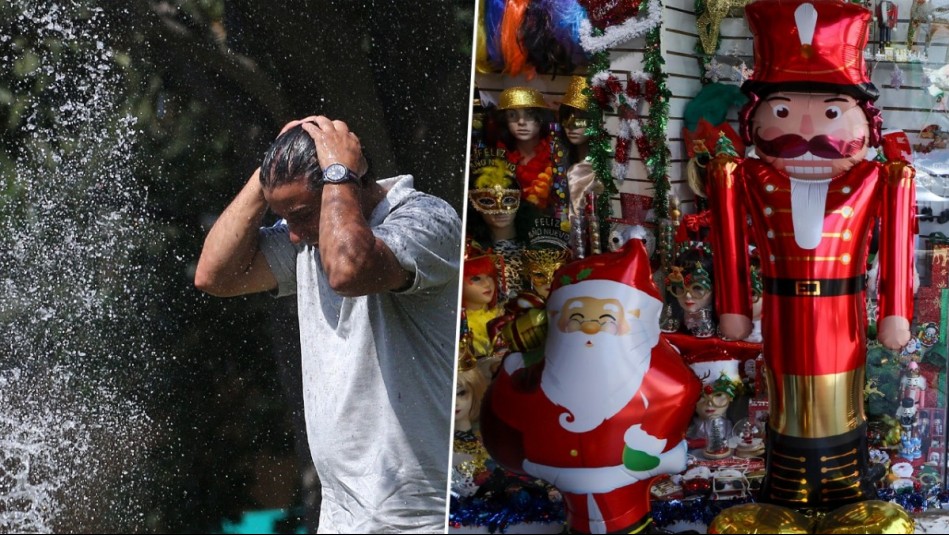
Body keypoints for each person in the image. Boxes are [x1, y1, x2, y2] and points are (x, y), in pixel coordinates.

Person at [194, 116, 461, 533]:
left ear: (348, 180)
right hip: (343, 515)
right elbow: (215, 275)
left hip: (421, 517)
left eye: (300, 215)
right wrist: (266, 175)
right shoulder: (313, 239)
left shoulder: (427, 221)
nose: (294, 235)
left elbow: (349, 271)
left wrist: (338, 169)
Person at [706, 0, 915, 520]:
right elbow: (727, 234)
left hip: (841, 317)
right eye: (782, 110)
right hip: (780, 314)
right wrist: (732, 306)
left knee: (842, 406)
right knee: (787, 405)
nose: (805, 126)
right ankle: (786, 496)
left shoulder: (873, 178)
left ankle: (847, 495)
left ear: (863, 120)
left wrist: (896, 311)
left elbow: (896, 243)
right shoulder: (748, 176)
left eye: (828, 111)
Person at [481, 241, 700, 534]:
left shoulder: (661, 379)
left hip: (634, 519)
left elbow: (681, 390)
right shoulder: (531, 382)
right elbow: (504, 430)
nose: (591, 328)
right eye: (577, 318)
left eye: (606, 318)